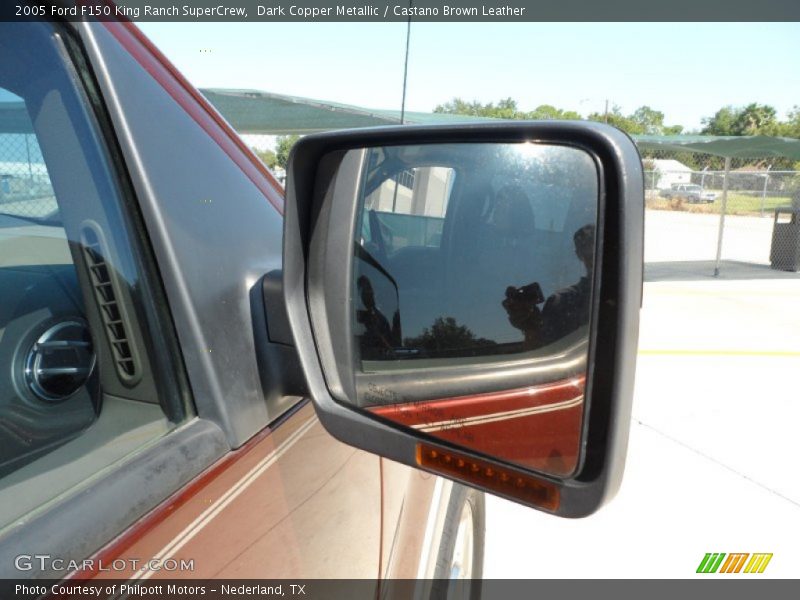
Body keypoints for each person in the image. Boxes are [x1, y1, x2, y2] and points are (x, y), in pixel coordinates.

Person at [503, 224, 595, 350]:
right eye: (587, 245)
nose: (593, 250)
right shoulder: (561, 303)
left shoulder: (562, 301)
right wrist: (530, 327)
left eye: (596, 242)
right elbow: (542, 354)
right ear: (579, 253)